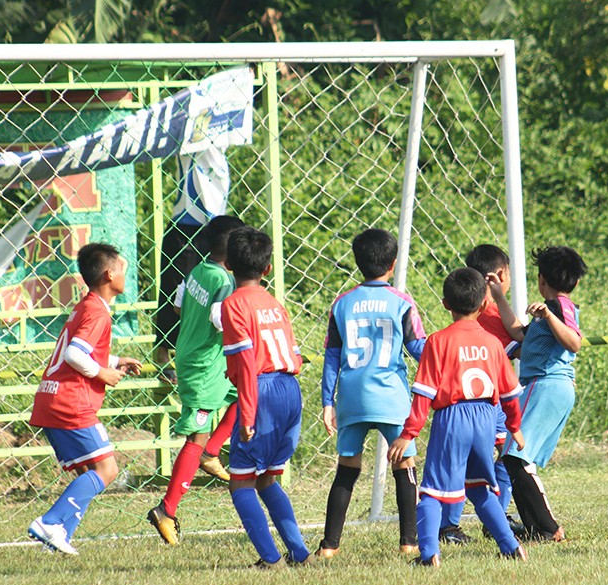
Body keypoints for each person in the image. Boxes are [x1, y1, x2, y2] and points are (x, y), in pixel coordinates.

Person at [388, 268, 527, 567]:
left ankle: (428, 555)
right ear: (482, 306)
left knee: (431, 492)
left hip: (453, 417)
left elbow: (424, 394)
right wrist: (514, 427)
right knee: (479, 487)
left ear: (445, 303)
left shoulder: (438, 342)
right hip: (487, 418)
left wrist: (408, 433)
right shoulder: (493, 343)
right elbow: (509, 395)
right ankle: (511, 546)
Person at [316, 229, 427, 558]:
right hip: (391, 396)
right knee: (405, 465)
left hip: (352, 396)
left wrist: (327, 402)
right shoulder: (401, 302)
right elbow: (417, 346)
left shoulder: (342, 303)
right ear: (392, 264)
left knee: (347, 468)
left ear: (358, 263)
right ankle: (409, 542)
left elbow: (332, 358)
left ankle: (329, 546)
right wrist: (443, 359)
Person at [28, 243, 142, 555]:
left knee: (87, 474)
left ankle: (59, 535)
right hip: (71, 404)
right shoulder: (98, 313)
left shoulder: (86, 306)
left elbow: (82, 350)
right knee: (107, 470)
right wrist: (103, 374)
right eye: (122, 268)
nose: (125, 273)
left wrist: (114, 360)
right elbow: (75, 353)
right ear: (109, 274)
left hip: (50, 400)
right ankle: (50, 522)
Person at [148, 215, 245, 545]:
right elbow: (221, 319)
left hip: (198, 357)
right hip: (203, 366)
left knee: (247, 393)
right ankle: (167, 510)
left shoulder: (197, 271)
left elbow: (177, 306)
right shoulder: (224, 282)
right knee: (196, 437)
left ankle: (212, 451)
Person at [221, 226, 311, 567]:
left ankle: (270, 559)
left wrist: (247, 415)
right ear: (267, 269)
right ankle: (299, 552)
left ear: (228, 264)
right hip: (289, 388)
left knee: (241, 482)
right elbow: (295, 354)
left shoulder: (233, 305)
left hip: (261, 389)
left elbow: (245, 363)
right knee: (268, 477)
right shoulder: (274, 303)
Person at [490, 246, 587, 542]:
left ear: (542, 280)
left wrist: (548, 313)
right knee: (514, 456)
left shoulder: (559, 306)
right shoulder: (553, 309)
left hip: (545, 384)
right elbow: (519, 333)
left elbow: (574, 343)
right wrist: (498, 297)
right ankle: (535, 528)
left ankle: (547, 527)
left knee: (514, 454)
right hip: (545, 387)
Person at [439, 244, 521, 545]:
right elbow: (522, 342)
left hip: (464, 404)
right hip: (492, 403)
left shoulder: (467, 314)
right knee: (503, 460)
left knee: (464, 464)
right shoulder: (494, 315)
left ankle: (452, 525)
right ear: (499, 275)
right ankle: (491, 519)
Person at [153, 151, 231, 382]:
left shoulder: (223, 125)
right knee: (175, 288)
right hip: (185, 222)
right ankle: (164, 350)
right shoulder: (188, 126)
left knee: (217, 288)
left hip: (216, 221)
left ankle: (211, 353)